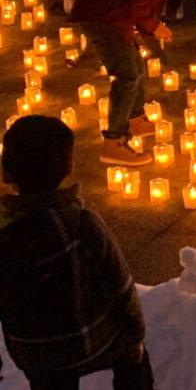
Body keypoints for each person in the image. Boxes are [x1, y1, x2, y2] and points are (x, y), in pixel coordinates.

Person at [0, 115, 153, 390]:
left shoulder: (5, 239)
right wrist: (135, 338)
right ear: (69, 166)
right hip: (92, 342)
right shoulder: (83, 225)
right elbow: (120, 287)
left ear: (6, 173)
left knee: (49, 379)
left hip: (35, 355)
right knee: (135, 362)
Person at [70, 0, 196, 165]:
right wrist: (155, 26)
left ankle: (135, 118)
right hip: (103, 12)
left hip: (111, 10)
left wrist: (153, 25)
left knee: (136, 66)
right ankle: (114, 142)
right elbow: (137, 0)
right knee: (127, 74)